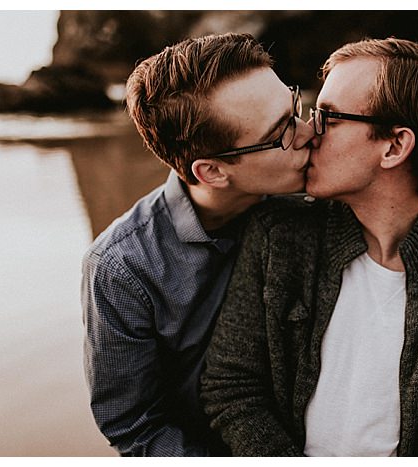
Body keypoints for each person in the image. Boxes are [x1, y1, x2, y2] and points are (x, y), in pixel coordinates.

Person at [201, 37, 418, 456]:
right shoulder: (278, 236)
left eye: (327, 117)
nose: (308, 132)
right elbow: (231, 387)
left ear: (394, 146)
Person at [81, 33, 314, 456]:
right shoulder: (122, 267)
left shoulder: (314, 201)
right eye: (282, 131)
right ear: (212, 172)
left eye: (295, 107)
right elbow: (136, 427)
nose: (308, 132)